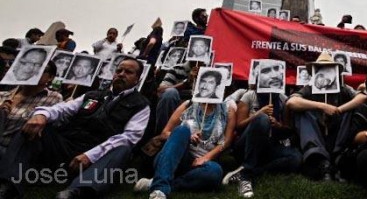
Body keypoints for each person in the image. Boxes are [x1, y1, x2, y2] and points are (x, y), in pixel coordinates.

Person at [0, 58, 150, 199]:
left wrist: (90, 155)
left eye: (128, 72)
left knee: (123, 148)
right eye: (119, 71)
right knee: (35, 124)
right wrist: (42, 115)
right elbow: (63, 109)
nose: (121, 75)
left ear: (137, 78)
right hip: (68, 145)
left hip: (98, 155)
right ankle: (9, 185)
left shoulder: (141, 104)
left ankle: (77, 191)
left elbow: (130, 137)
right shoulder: (92, 95)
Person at [134, 99, 236, 199]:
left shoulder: (227, 109)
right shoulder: (188, 105)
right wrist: (189, 137)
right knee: (182, 130)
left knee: (215, 172)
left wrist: (206, 158)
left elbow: (226, 142)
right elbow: (165, 133)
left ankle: (155, 182)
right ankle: (159, 190)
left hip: (201, 166)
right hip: (174, 157)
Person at [286, 52, 364, 181]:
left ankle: (340, 156)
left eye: (329, 69)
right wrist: (322, 106)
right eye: (321, 70)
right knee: (302, 112)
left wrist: (339, 109)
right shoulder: (308, 89)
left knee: (352, 110)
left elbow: (362, 98)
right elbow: (291, 102)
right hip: (315, 133)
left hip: (338, 133)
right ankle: (321, 161)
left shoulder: (343, 88)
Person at [223, 88, 301, 198]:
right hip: (246, 147)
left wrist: (278, 125)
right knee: (262, 119)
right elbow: (239, 126)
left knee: (295, 158)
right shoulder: (250, 95)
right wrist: (259, 114)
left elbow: (288, 130)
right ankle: (245, 176)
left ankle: (248, 171)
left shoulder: (282, 98)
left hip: (268, 147)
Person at [0, 61, 62, 158]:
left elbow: (57, 124)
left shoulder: (53, 98)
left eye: (41, 69)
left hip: (15, 154)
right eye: (28, 66)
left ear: (51, 77)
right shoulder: (4, 95)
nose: (34, 71)